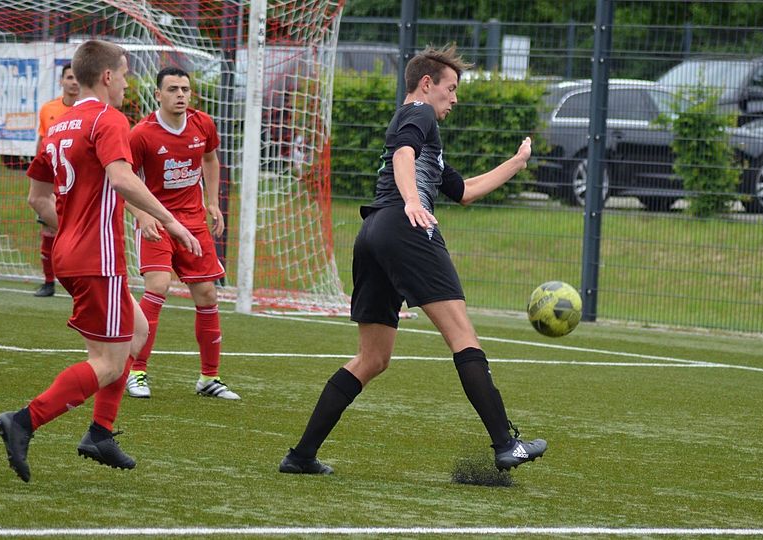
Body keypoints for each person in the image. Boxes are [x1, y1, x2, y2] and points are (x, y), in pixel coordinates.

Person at [278, 44, 546, 475]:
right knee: (463, 335)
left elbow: (464, 192)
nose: (454, 99)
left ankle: (301, 455)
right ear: (426, 84)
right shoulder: (419, 113)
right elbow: (404, 156)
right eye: (450, 88)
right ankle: (506, 444)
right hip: (406, 229)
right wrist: (412, 203)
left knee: (372, 359)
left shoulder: (422, 132)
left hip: (373, 233)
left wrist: (516, 163)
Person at [0, 40, 202, 483]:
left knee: (137, 333)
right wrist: (172, 222)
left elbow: (37, 198)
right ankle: (24, 420)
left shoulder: (60, 124)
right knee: (107, 362)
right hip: (97, 257)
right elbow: (122, 177)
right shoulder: (108, 119)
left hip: (69, 253)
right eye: (124, 74)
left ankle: (100, 433)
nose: (127, 83)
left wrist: (73, 226)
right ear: (107, 76)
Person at [124, 66, 238, 400]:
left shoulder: (203, 124)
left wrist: (213, 202)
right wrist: (142, 214)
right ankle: (136, 372)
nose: (180, 95)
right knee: (158, 286)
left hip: (193, 222)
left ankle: (209, 378)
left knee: (208, 294)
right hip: (157, 223)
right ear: (158, 94)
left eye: (185, 89)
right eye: (173, 89)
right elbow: (120, 181)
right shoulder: (141, 134)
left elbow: (211, 160)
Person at [32, 63, 80, 297]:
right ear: (61, 81)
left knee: (77, 228)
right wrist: (37, 173)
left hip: (77, 181)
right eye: (69, 77)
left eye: (77, 78)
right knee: (49, 228)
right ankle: (48, 282)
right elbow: (42, 142)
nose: (74, 82)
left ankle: (79, 276)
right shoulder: (48, 109)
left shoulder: (86, 110)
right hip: (52, 179)